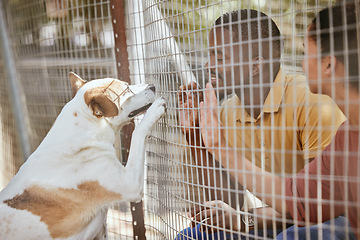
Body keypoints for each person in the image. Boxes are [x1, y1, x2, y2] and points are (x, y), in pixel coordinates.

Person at [177, 8, 346, 240]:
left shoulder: (313, 102)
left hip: (330, 219)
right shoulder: (226, 113)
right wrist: (196, 136)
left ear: (255, 66)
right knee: (192, 236)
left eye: (220, 57)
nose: (208, 66)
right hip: (278, 217)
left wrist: (245, 219)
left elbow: (321, 206)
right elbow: (229, 203)